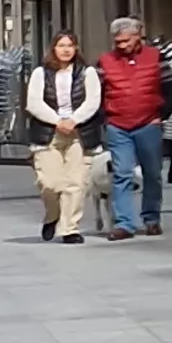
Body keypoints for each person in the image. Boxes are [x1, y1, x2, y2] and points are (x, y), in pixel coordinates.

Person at [97, 16, 172, 238]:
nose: (121, 45)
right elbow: (98, 93)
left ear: (137, 35)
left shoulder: (156, 57)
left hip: (149, 123)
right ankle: (124, 223)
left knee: (152, 173)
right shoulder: (105, 61)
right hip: (117, 124)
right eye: (117, 41)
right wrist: (106, 118)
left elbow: (171, 89)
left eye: (125, 41)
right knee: (121, 173)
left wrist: (161, 116)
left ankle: (151, 217)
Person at [24, 29, 105, 242]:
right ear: (53, 49)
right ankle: (53, 215)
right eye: (61, 45)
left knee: (75, 183)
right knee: (50, 183)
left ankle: (69, 228)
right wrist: (57, 121)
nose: (66, 49)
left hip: (79, 133)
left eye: (70, 45)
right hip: (48, 133)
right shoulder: (40, 73)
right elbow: (33, 103)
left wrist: (74, 120)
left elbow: (93, 101)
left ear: (76, 48)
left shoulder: (87, 73)